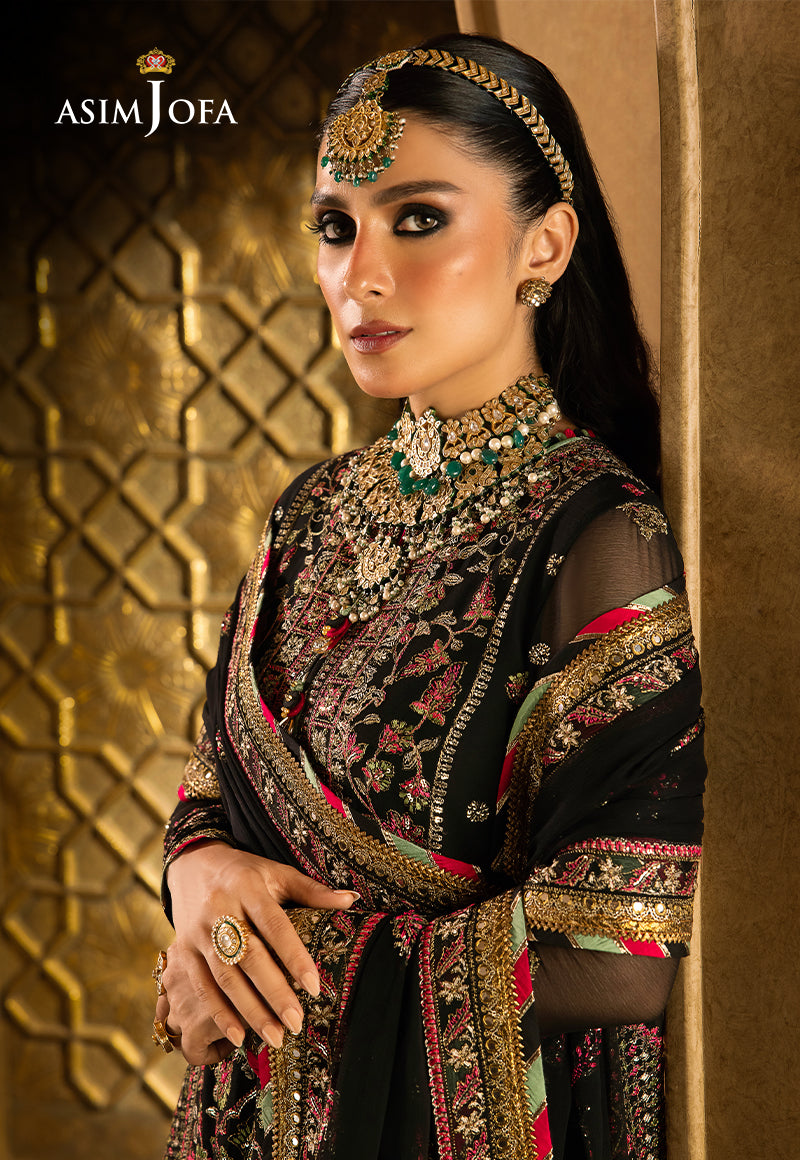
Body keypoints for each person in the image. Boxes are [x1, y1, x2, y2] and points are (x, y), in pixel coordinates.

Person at [153, 32, 706, 1160]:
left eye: (416, 218)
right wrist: (196, 877)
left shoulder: (600, 538)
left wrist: (254, 978)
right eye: (335, 226)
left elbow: (618, 946)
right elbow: (214, 784)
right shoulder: (310, 512)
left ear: (544, 244)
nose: (358, 274)